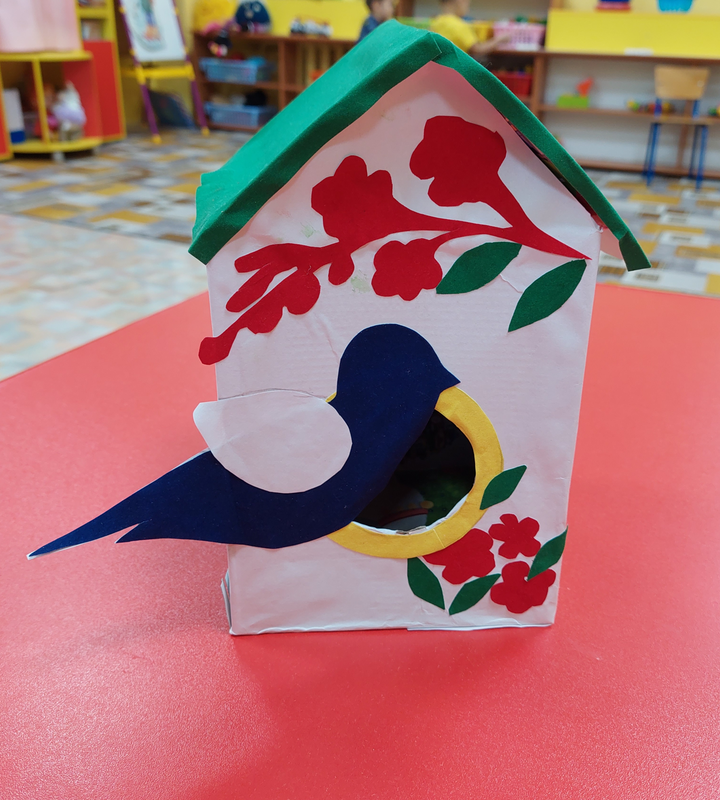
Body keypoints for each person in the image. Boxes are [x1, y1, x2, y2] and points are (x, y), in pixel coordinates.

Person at [431, 0, 508, 59]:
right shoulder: (459, 25)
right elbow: (478, 50)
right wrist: (499, 39)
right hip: (457, 70)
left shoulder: (436, 22)